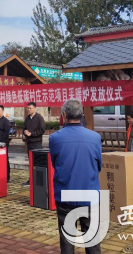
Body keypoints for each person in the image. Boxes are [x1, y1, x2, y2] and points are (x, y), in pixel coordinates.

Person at [50, 100, 102, 254]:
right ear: (81, 114)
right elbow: (98, 165)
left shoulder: (55, 138)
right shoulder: (95, 137)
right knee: (92, 242)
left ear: (64, 115)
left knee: (67, 241)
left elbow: (55, 163)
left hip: (65, 193)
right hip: (89, 193)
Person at [22, 102, 45, 186]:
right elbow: (24, 129)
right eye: (28, 108)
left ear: (35, 108)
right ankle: (31, 179)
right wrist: (25, 132)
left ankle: (38, 180)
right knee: (31, 162)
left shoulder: (39, 118)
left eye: (30, 108)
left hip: (36, 143)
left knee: (37, 162)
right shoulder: (27, 118)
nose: (29, 110)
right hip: (29, 143)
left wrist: (31, 134)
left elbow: (42, 130)